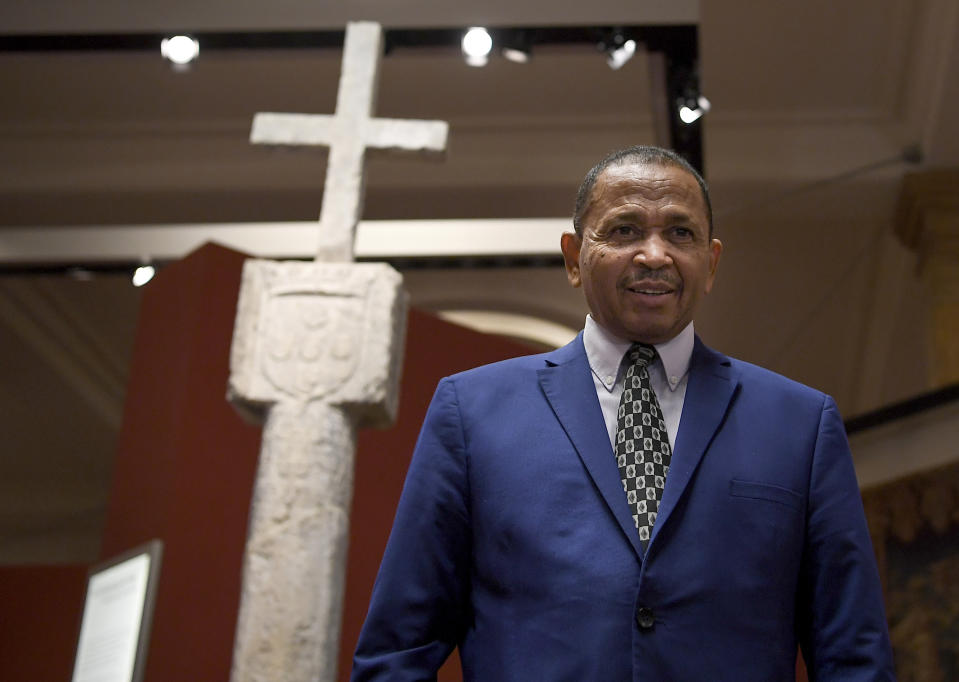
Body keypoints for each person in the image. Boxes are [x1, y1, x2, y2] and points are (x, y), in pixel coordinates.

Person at [351, 146, 895, 680]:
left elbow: (853, 656)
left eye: (680, 233)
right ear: (572, 257)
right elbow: (399, 650)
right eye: (624, 230)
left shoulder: (800, 424)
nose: (654, 255)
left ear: (711, 262)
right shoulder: (471, 412)